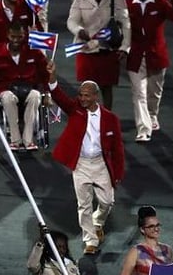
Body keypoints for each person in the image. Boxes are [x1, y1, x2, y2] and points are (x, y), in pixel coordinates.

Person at [48, 78, 124, 255]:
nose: (82, 99)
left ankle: (97, 222)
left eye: (86, 96)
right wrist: (52, 81)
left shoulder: (111, 119)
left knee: (107, 201)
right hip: (81, 165)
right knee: (84, 205)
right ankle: (90, 240)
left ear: (96, 97)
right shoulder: (75, 109)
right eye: (80, 95)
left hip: (100, 164)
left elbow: (117, 149)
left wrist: (118, 174)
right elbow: (59, 98)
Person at [126, 0, 173, 142]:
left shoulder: (160, 1)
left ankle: (152, 115)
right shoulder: (128, 5)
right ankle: (143, 130)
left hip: (156, 54)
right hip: (135, 56)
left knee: (154, 91)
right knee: (138, 93)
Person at [0, 21, 51, 151]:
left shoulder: (34, 51)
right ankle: (15, 141)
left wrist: (47, 93)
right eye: (13, 37)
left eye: (20, 37)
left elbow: (44, 73)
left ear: (25, 35)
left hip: (29, 89)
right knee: (7, 99)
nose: (16, 40)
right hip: (6, 90)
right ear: (8, 35)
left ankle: (28, 141)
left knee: (36, 96)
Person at [67, 0, 130, 110]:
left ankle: (105, 118)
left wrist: (125, 48)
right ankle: (85, 119)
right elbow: (71, 21)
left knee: (106, 88)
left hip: (107, 49)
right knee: (86, 89)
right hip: (86, 49)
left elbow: (126, 24)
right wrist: (78, 30)